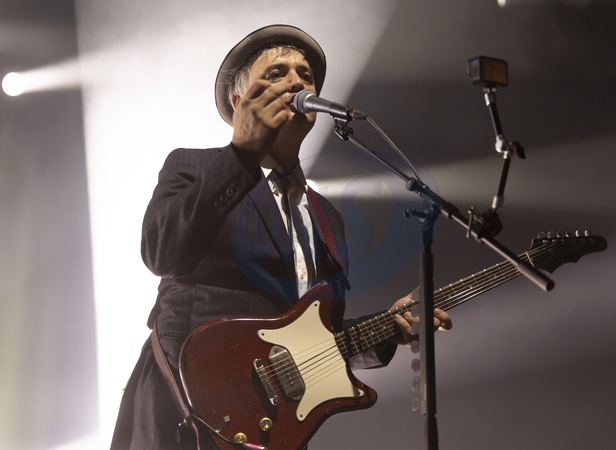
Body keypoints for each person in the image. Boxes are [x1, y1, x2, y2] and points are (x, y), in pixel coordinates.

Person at [110, 24, 452, 450]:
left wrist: (389, 326)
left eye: (305, 75)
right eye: (276, 73)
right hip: (186, 413)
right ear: (239, 103)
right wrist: (241, 156)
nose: (296, 82)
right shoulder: (194, 167)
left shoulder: (327, 216)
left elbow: (314, 335)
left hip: (273, 428)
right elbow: (162, 253)